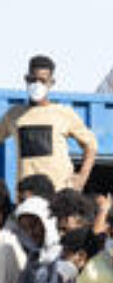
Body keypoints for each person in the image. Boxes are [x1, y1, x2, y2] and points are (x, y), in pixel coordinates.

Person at [0, 55, 97, 192]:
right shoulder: (13, 115)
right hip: (27, 196)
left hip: (59, 194)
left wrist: (82, 177)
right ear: (26, 80)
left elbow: (91, 145)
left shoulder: (63, 113)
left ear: (51, 83)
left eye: (42, 80)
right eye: (33, 80)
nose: (37, 84)